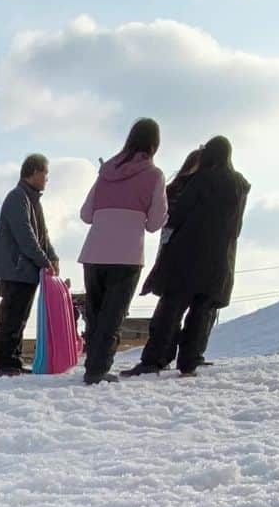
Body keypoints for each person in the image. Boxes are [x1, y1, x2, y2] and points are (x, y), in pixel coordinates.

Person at [123, 136, 250, 378]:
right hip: (221, 259)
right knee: (203, 312)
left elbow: (178, 213)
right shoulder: (240, 186)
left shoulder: (201, 179)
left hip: (186, 256)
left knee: (170, 309)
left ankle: (154, 359)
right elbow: (237, 227)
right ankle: (190, 361)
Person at [76, 118, 167, 386]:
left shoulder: (106, 171)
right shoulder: (154, 175)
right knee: (112, 316)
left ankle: (91, 364)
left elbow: (85, 214)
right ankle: (98, 369)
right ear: (154, 144)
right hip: (126, 255)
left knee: (94, 313)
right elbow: (154, 223)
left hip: (93, 252)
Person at [0, 154, 59, 376]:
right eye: (46, 173)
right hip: (15, 269)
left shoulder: (33, 200)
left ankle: (14, 359)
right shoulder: (17, 197)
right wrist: (44, 261)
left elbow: (43, 236)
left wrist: (53, 257)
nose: (47, 178)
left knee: (20, 316)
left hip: (28, 271)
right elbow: (25, 236)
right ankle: (4, 361)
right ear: (35, 172)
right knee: (10, 315)